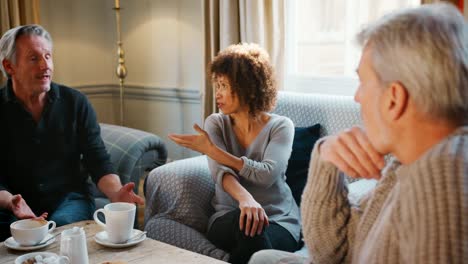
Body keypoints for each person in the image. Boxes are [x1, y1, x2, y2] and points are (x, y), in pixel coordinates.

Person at [249, 3, 468, 264]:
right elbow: (331, 252)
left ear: (394, 98)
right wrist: (326, 159)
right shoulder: (405, 166)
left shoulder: (444, 179)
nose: (357, 97)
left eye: (363, 82)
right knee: (264, 258)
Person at [0, 24, 144, 241]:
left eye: (48, 56)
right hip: (11, 203)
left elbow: (97, 158)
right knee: (14, 236)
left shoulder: (75, 103)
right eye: (34, 58)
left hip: (69, 199)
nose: (45, 65)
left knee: (65, 233)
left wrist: (116, 192)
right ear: (9, 66)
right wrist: (11, 201)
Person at [168, 43, 301, 264]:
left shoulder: (281, 126)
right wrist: (245, 200)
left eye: (224, 86)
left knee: (252, 238)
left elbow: (267, 174)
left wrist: (212, 151)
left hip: (279, 220)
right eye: (216, 85)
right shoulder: (216, 123)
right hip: (228, 216)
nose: (217, 94)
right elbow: (222, 173)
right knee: (248, 223)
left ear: (247, 87)